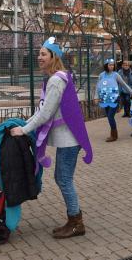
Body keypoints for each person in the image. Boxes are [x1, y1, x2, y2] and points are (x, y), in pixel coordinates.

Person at [9, 37, 94, 239]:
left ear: (53, 57)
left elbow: (46, 113)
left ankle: (76, 222)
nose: (39, 57)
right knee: (62, 178)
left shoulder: (56, 80)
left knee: (64, 179)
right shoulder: (56, 78)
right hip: (67, 139)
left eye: (43, 54)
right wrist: (24, 124)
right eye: (39, 54)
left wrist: (23, 130)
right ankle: (74, 219)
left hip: (69, 140)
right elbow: (42, 110)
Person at [97, 59, 132, 142]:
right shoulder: (101, 75)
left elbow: (124, 84)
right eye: (110, 65)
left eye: (113, 65)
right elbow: (98, 86)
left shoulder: (116, 75)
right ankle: (113, 134)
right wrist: (96, 96)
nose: (111, 66)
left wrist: (131, 92)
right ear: (106, 65)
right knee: (109, 117)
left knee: (110, 116)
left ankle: (114, 135)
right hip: (105, 99)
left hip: (114, 99)